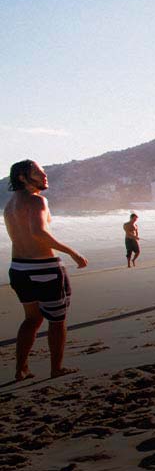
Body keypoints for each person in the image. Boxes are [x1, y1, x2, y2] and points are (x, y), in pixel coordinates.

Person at [3, 160, 87, 381]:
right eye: (39, 173)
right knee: (57, 321)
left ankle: (21, 369)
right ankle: (56, 368)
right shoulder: (37, 201)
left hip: (19, 269)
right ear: (22, 177)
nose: (45, 176)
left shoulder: (10, 204)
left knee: (31, 319)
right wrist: (72, 252)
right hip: (44, 268)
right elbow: (39, 232)